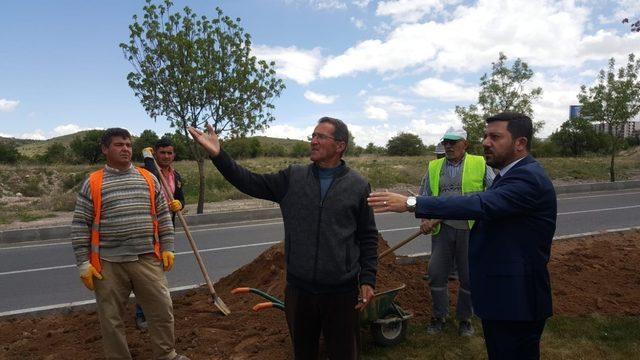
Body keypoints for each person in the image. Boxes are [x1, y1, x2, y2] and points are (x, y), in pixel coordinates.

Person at [368, 112, 556, 359]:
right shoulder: (507, 174)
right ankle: (440, 315)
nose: (486, 142)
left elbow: (480, 203)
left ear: (520, 143)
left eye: (495, 137)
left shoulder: (527, 178)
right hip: (503, 296)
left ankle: (464, 319)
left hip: (516, 299)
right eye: (486, 136)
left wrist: (412, 202)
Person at [188, 117, 378, 360]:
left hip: (341, 292)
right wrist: (218, 155)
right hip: (299, 292)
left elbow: (368, 235)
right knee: (303, 354)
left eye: (321, 137)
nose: (313, 141)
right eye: (313, 135)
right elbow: (249, 182)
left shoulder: (358, 185)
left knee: (344, 354)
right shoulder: (293, 177)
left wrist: (368, 279)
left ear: (340, 145)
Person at [71, 128, 189, 360]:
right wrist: (83, 263)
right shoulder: (93, 183)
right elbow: (80, 225)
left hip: (147, 259)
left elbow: (164, 217)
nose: (125, 148)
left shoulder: (147, 178)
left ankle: (166, 354)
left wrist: (168, 248)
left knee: (162, 310)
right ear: (105, 149)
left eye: (128, 144)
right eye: (118, 144)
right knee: (111, 318)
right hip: (108, 264)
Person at [417, 127, 494, 336]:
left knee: (469, 277)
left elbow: (495, 194)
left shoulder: (480, 164)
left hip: (471, 229)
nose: (448, 146)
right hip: (442, 229)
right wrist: (425, 219)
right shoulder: (434, 167)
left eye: (453, 142)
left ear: (465, 144)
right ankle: (439, 316)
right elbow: (423, 196)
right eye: (446, 142)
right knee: (436, 273)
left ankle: (465, 319)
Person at [135, 137, 185, 331]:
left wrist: (179, 204)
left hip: (167, 228)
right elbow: (152, 177)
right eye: (162, 153)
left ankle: (157, 311)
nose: (166, 156)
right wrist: (148, 160)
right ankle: (141, 314)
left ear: (174, 155)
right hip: (147, 229)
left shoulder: (176, 176)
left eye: (169, 153)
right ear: (155, 153)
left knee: (159, 271)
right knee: (145, 275)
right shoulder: (143, 171)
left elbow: (181, 199)